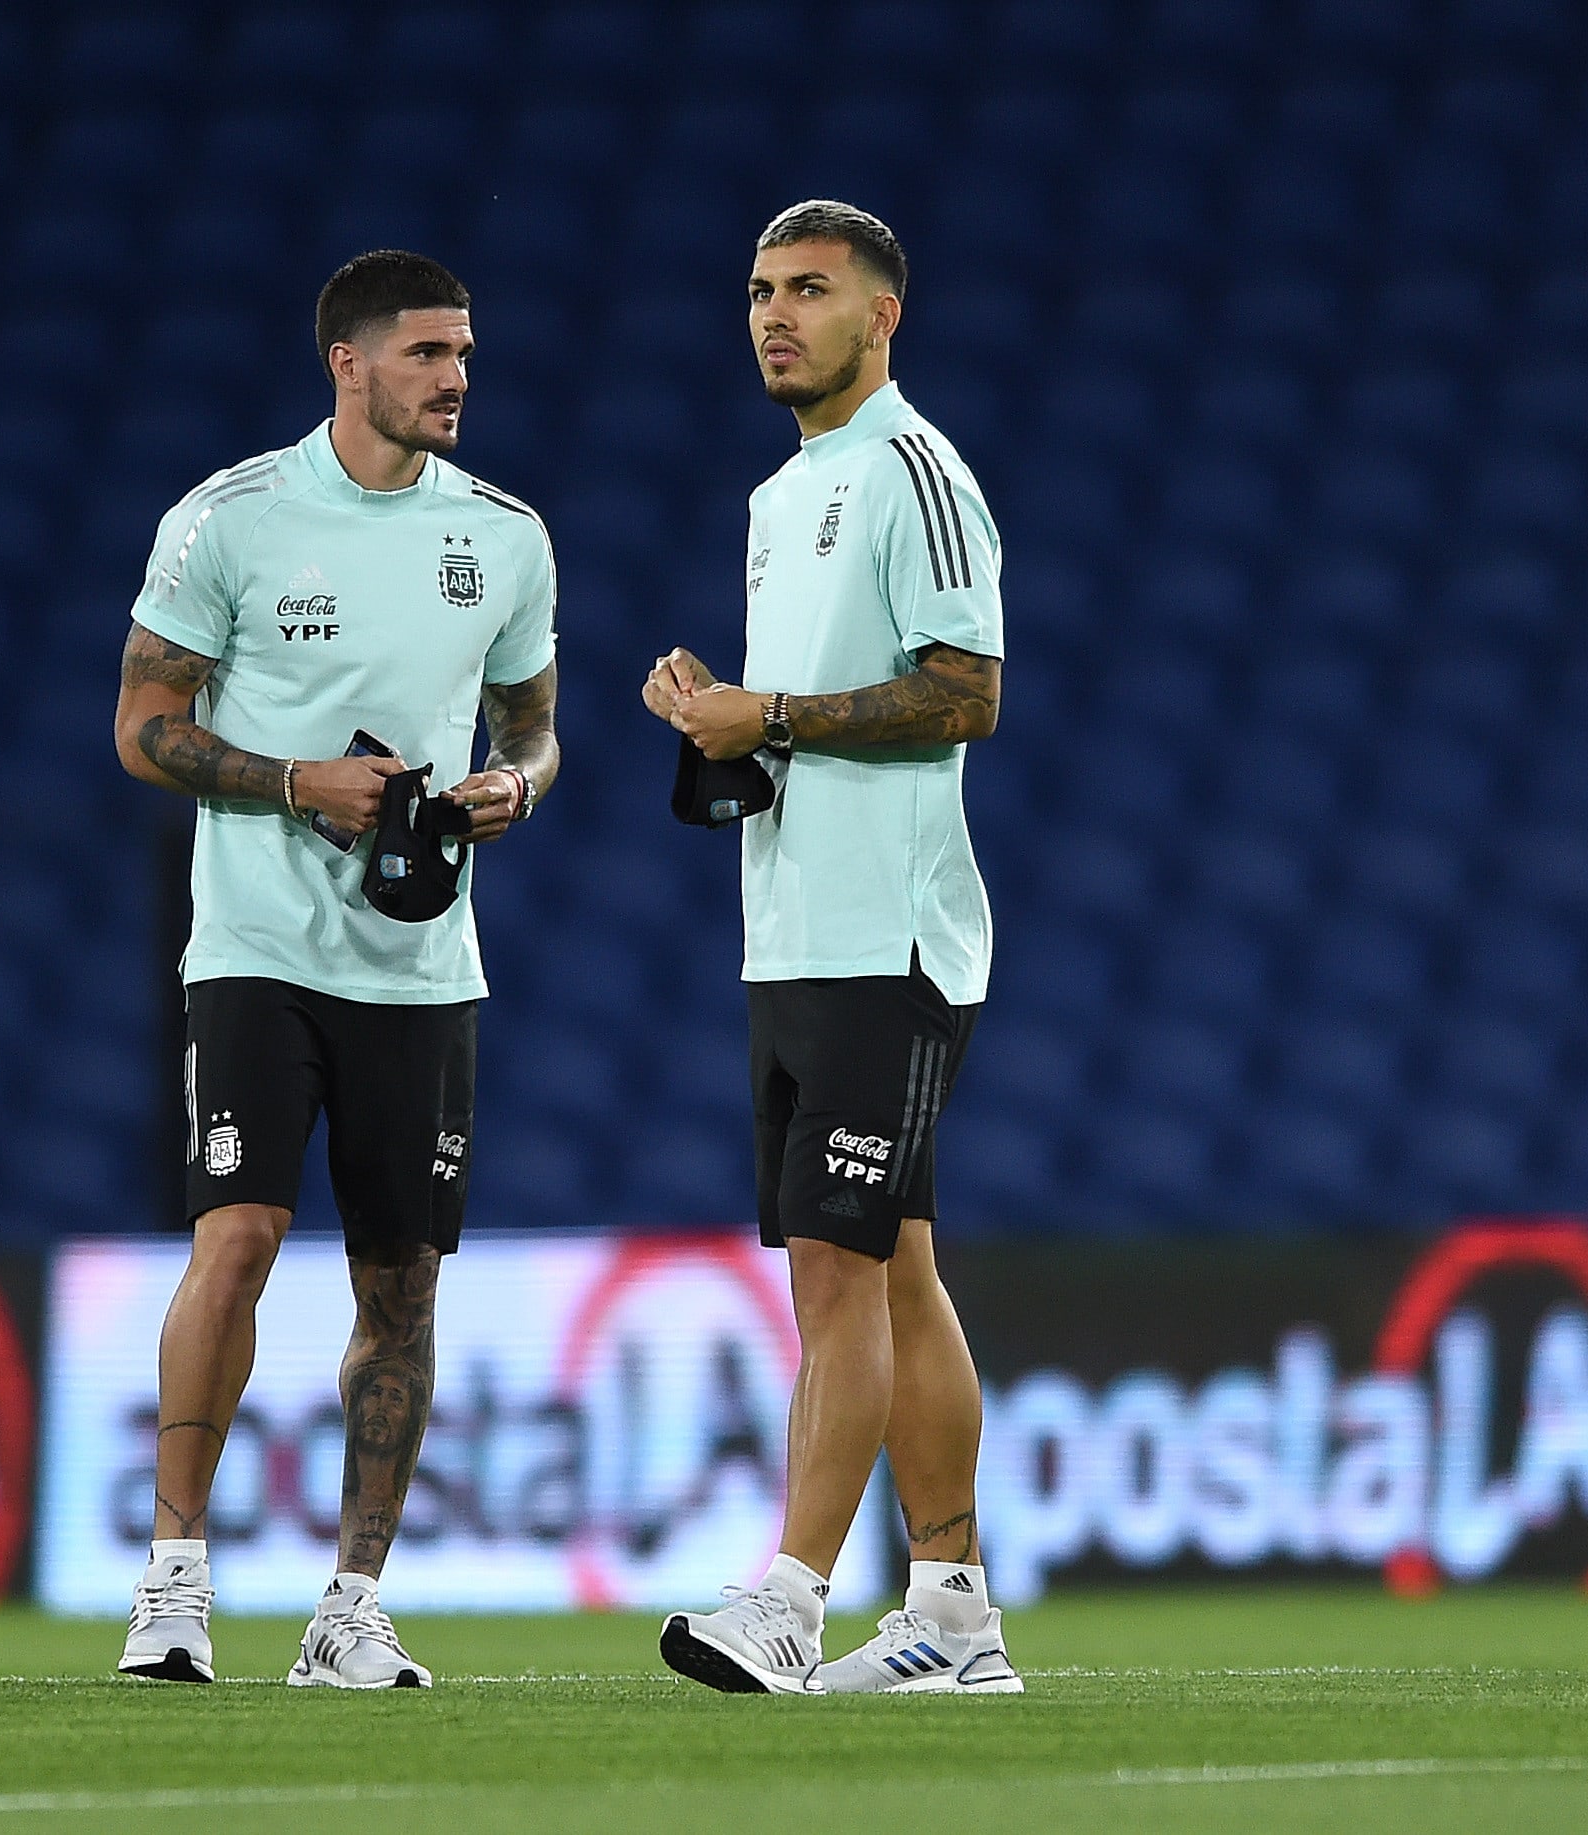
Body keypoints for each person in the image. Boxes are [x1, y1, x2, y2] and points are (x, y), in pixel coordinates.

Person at [109, 249, 559, 1688]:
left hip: (421, 965)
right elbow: (142, 725)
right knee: (233, 1237)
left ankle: (349, 1610)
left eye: (466, 353)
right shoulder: (230, 519)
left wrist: (517, 785)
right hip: (253, 948)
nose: (457, 377)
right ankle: (173, 1584)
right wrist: (293, 781)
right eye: (428, 351)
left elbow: (534, 723)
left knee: (402, 1289)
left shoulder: (503, 536)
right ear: (347, 363)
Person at [644, 201, 1019, 1697]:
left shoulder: (914, 473)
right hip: (791, 927)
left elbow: (966, 690)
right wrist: (724, 726)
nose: (773, 315)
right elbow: (805, 716)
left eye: (808, 289)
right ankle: (948, 1615)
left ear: (883, 315)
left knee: (837, 1268)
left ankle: (789, 1598)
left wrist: (777, 718)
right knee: (895, 1267)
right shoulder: (776, 495)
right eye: (755, 291)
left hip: (890, 937)